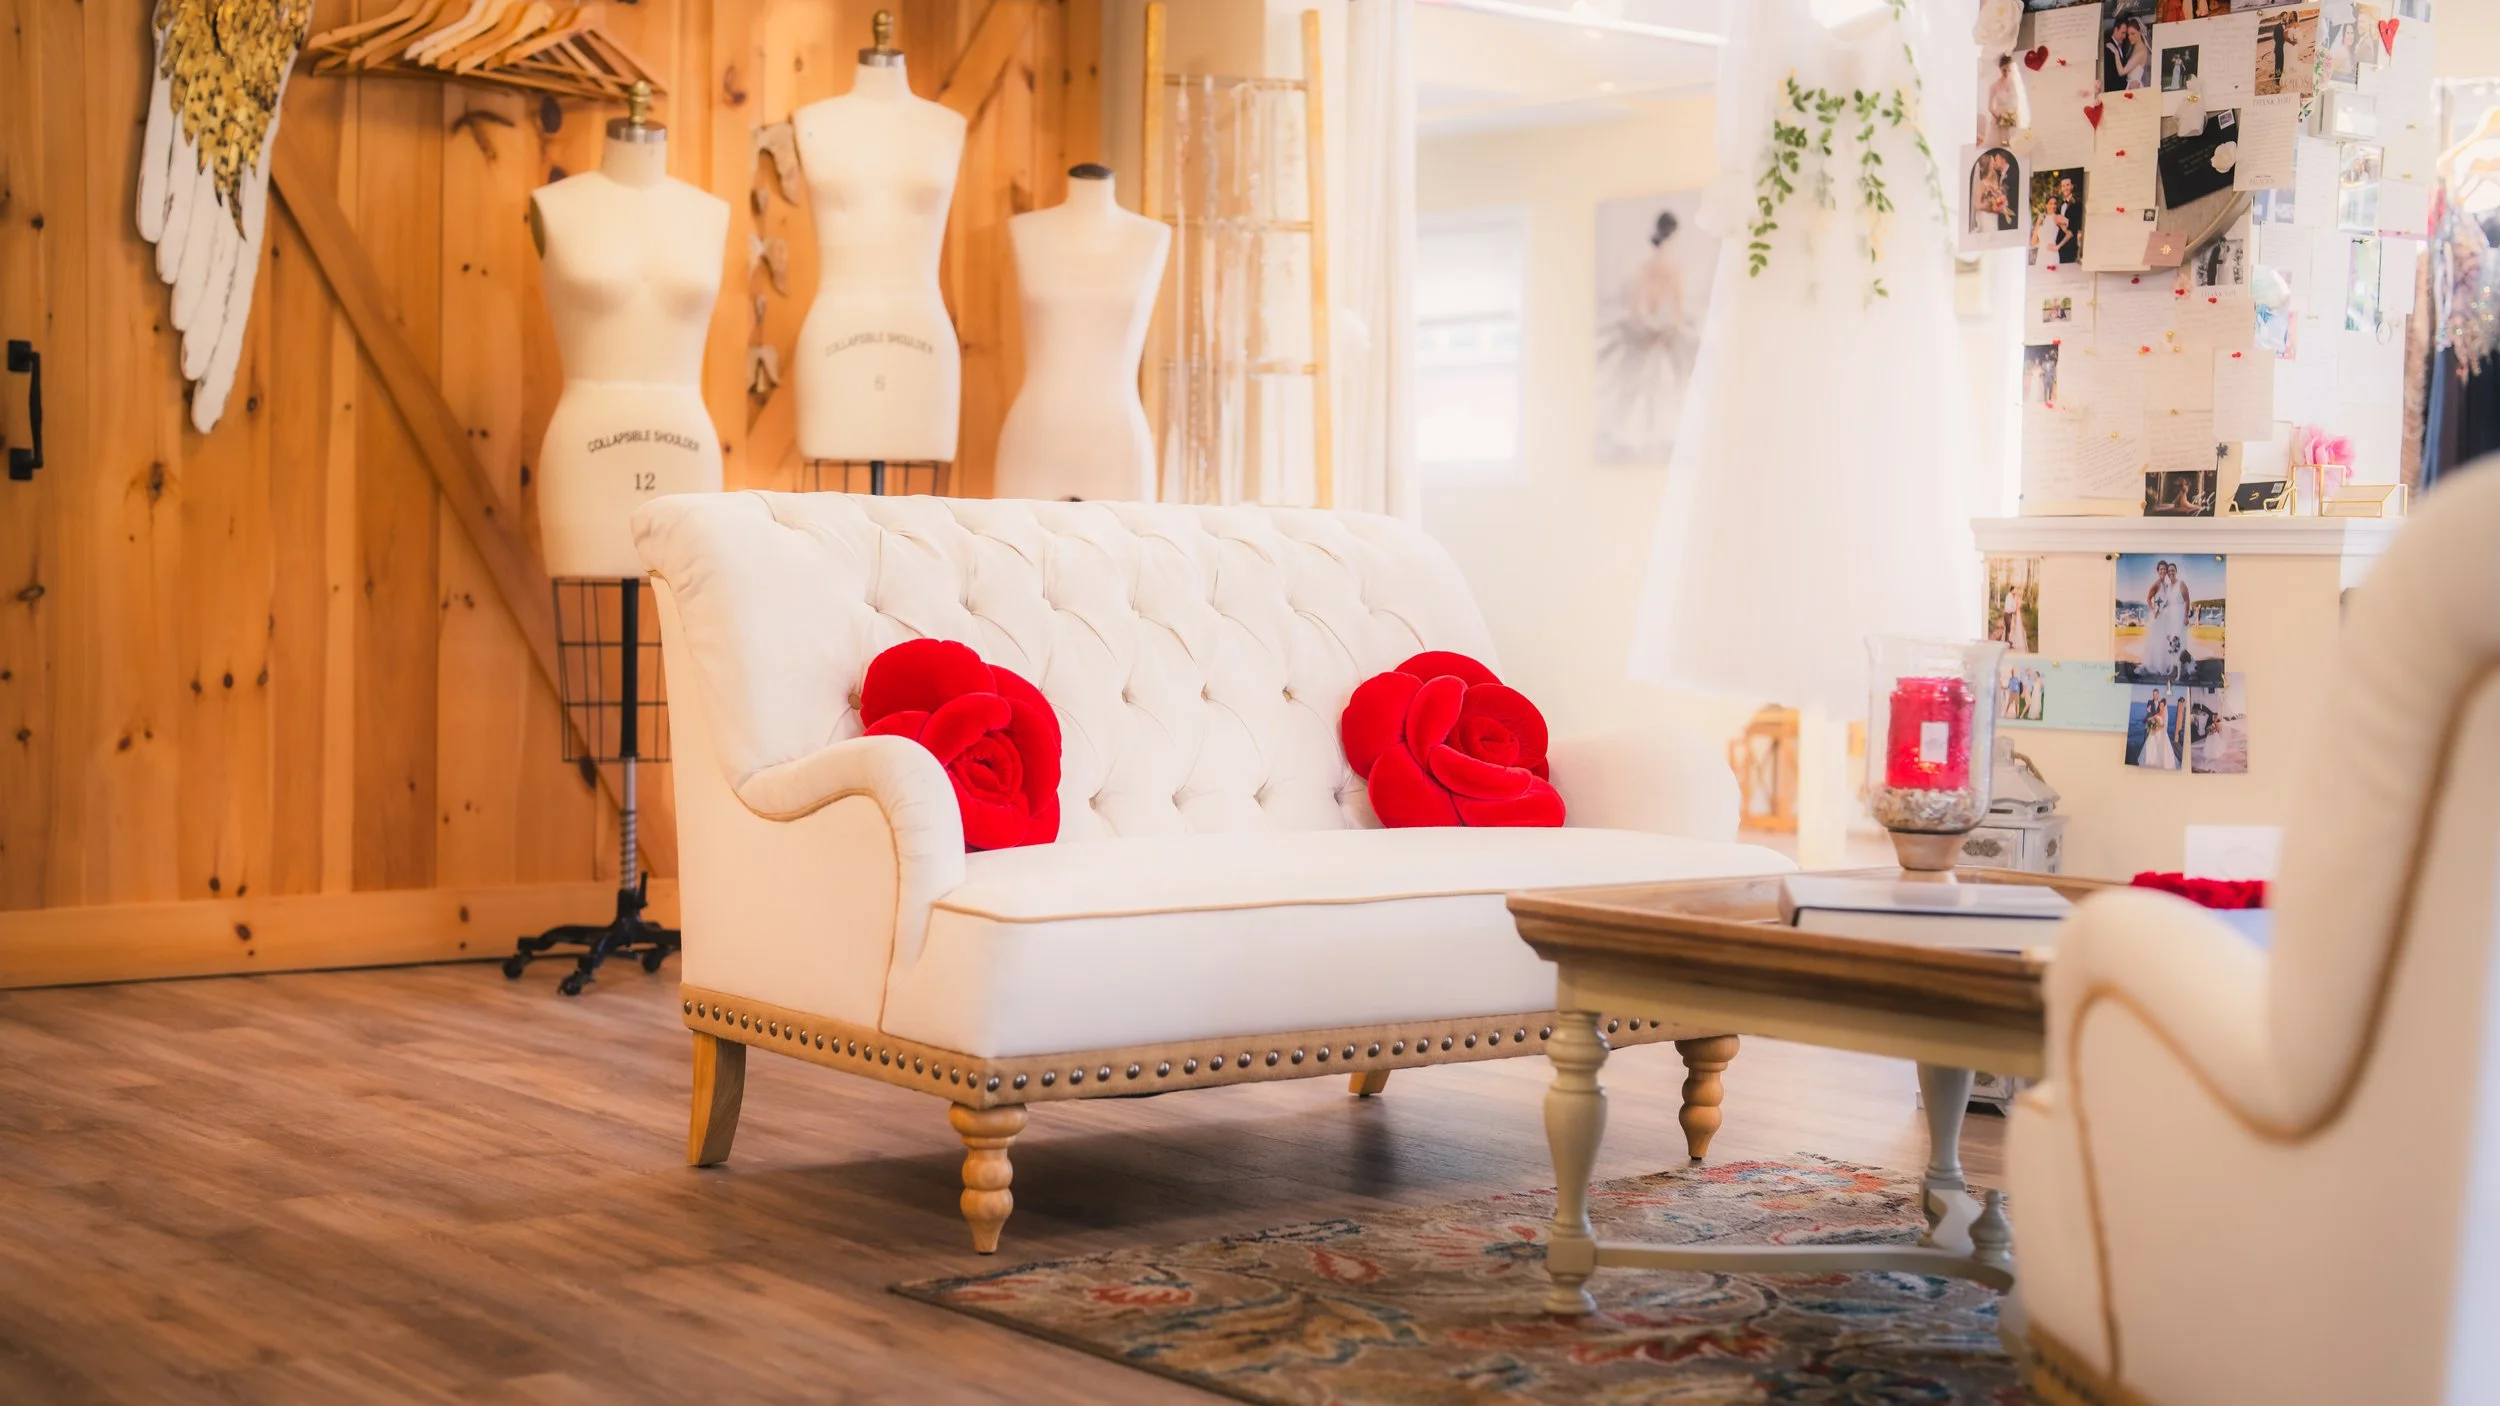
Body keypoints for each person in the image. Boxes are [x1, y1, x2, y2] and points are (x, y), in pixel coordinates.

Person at [2105, 15, 2151, 92]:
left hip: (2135, 88)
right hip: (2129, 88)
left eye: (2133, 34)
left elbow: (2122, 72)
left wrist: (2116, 53)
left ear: (2140, 32)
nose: (2129, 37)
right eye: (2128, 34)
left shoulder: (2141, 52)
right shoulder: (2133, 47)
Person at [2139, 691, 2181, 769]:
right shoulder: (2157, 713)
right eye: (2160, 705)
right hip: (2153, 732)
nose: (2161, 707)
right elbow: (2151, 718)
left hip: (2161, 734)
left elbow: (2163, 725)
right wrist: (2150, 722)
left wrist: (2156, 729)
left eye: (2162, 706)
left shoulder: (2164, 715)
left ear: (2164, 706)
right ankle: (2149, 762)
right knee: (2150, 747)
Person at [2053, 174, 2084, 264]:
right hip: (2058, 245)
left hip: (2070, 245)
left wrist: (2065, 221)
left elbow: (2077, 224)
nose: (2065, 188)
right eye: (2063, 186)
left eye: (2067, 185)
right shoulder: (2059, 205)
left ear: (2072, 186)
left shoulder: (2078, 204)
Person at [1998, 577, 2030, 653]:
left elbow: (2013, 606)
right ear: (2012, 590)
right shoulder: (2009, 597)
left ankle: (2007, 642)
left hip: (2009, 614)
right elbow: (2008, 608)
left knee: (2008, 629)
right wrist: (2014, 611)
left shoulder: (2011, 596)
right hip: (2007, 614)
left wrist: (2015, 610)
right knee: (2008, 629)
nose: (2016, 591)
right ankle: (2006, 643)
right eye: (2015, 590)